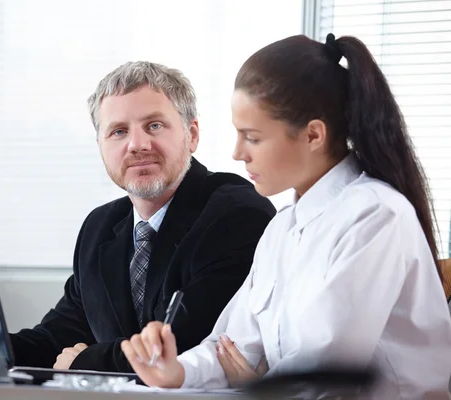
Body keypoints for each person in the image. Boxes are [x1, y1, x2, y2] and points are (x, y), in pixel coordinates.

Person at [120, 35, 451, 398]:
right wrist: (176, 370)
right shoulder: (282, 228)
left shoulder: (377, 216)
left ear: (313, 135)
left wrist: (258, 386)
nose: (237, 153)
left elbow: (325, 374)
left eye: (253, 137)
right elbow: (230, 346)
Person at [9, 61, 276, 372]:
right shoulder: (100, 227)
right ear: (101, 146)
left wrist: (84, 361)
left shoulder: (237, 215)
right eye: (119, 131)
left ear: (191, 135)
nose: (137, 145)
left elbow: (181, 350)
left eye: (154, 126)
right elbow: (56, 337)